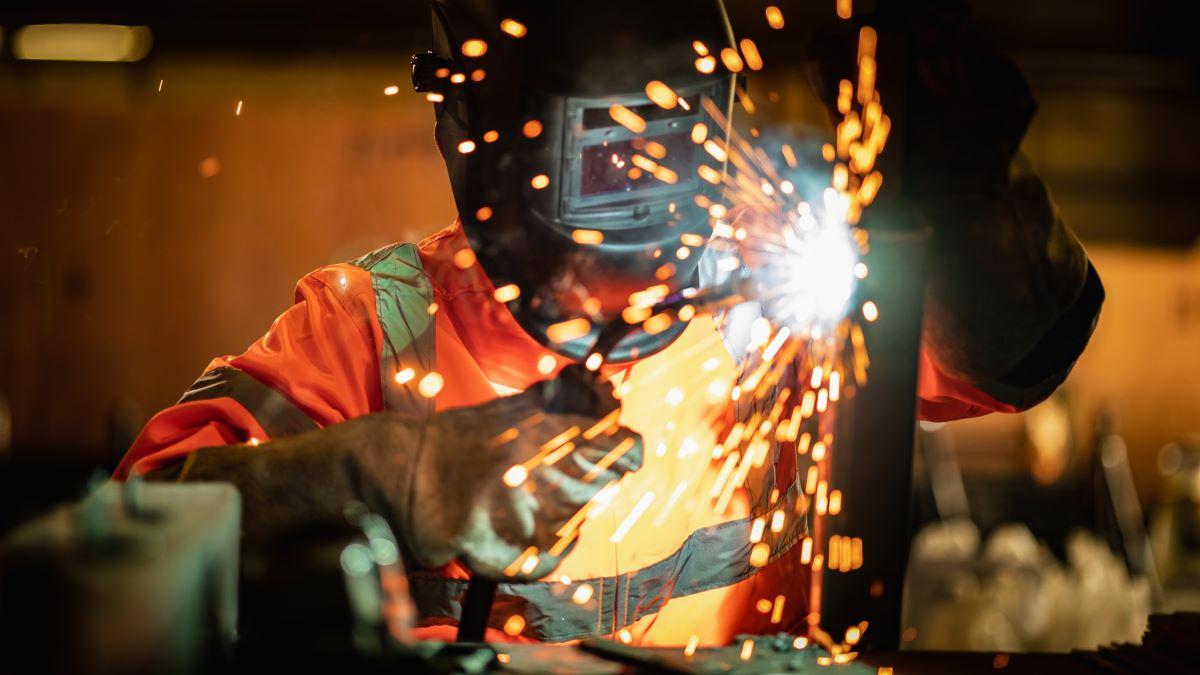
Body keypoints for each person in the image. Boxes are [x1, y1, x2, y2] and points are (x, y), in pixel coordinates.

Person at [116, 0, 1102, 646]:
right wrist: (380, 480)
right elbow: (121, 553)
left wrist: (975, 221)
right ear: (486, 157)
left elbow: (1013, 363)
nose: (641, 292)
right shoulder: (372, 327)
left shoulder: (781, 296)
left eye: (670, 158)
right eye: (611, 171)